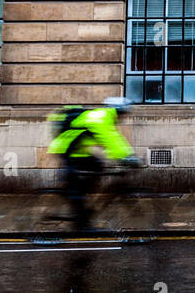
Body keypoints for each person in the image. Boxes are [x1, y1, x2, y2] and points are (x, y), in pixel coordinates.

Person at [48, 97, 144, 230]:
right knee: (76, 189)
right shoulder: (101, 117)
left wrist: (124, 156)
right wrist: (126, 157)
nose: (123, 117)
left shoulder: (105, 118)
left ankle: (80, 195)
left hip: (79, 151)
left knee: (98, 166)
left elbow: (115, 139)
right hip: (66, 150)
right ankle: (82, 222)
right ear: (117, 111)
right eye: (122, 114)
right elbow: (109, 139)